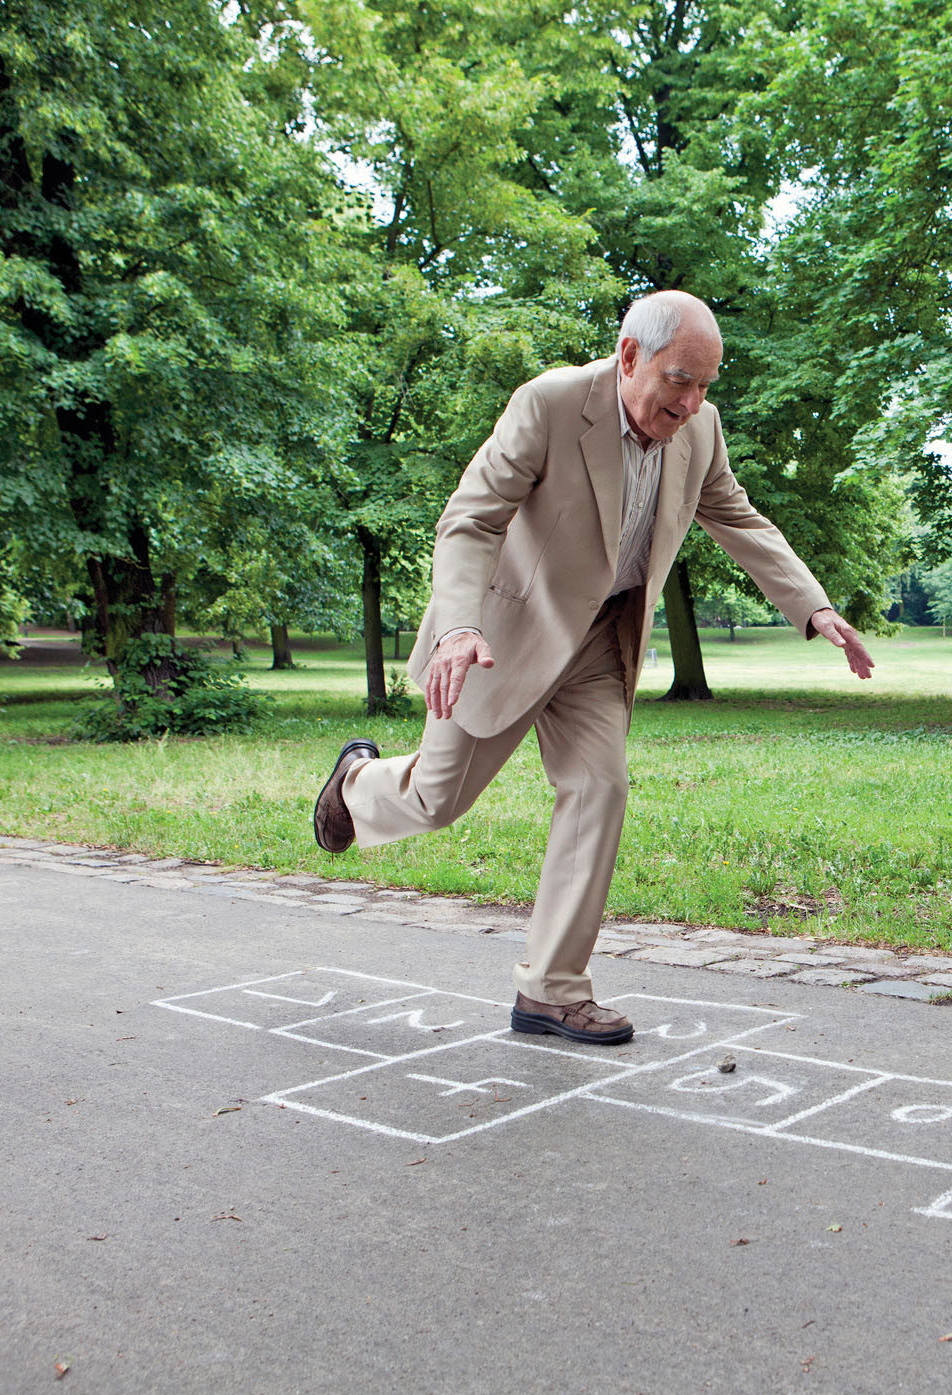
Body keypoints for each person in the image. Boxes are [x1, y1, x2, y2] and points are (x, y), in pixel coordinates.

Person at [310, 291, 874, 1045]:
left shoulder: (698, 429)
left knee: (599, 788)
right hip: (502, 635)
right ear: (629, 355)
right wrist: (458, 628)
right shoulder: (550, 404)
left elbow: (734, 513)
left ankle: (551, 990)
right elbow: (470, 519)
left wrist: (814, 608)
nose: (692, 401)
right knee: (438, 801)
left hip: (601, 643)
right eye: (679, 380)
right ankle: (355, 784)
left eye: (707, 384)